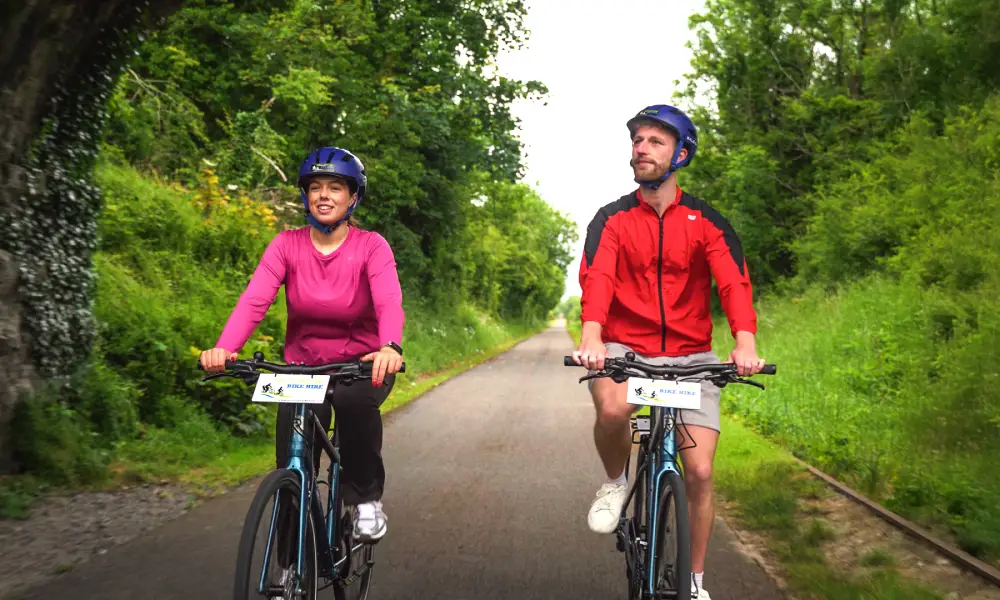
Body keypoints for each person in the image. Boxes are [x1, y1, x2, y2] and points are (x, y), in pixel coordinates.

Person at [571, 105, 766, 600]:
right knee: (612, 410)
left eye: (655, 141)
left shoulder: (707, 221)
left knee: (699, 470)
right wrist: (592, 336)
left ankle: (694, 583)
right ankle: (615, 482)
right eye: (637, 140)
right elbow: (599, 277)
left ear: (680, 154)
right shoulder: (612, 219)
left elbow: (733, 283)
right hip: (625, 349)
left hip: (691, 357)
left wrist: (744, 342)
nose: (641, 148)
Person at [200, 146, 405, 542]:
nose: (323, 195)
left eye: (335, 187)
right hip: (302, 369)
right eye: (315, 187)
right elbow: (254, 300)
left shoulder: (371, 246)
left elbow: (388, 301)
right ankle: (287, 562)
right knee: (292, 456)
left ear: (353, 197)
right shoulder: (285, 245)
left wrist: (390, 347)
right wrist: (225, 347)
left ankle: (365, 501)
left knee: (352, 403)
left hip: (362, 365)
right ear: (305, 195)